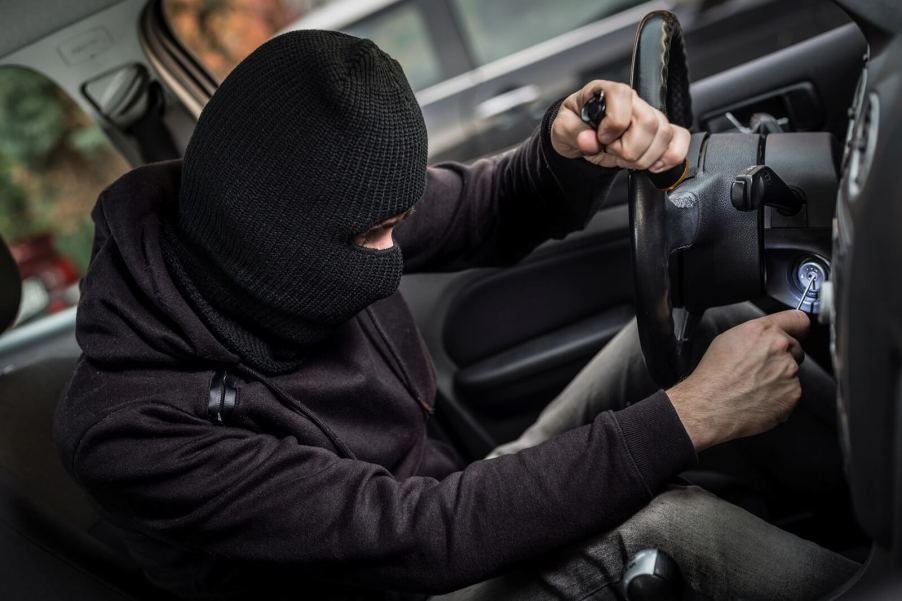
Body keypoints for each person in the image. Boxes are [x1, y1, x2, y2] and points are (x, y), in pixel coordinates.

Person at [54, 30, 858, 601]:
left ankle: (876, 522)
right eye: (380, 234)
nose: (400, 243)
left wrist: (563, 148)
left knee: (710, 341)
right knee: (678, 528)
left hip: (445, 501)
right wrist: (692, 418)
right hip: (408, 566)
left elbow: (481, 206)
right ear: (278, 252)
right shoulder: (133, 429)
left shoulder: (293, 210)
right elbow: (415, 534)